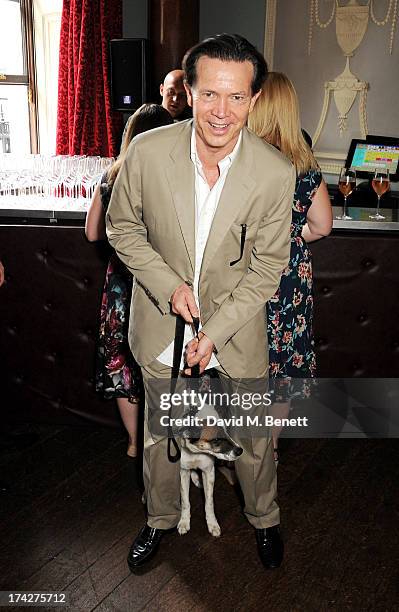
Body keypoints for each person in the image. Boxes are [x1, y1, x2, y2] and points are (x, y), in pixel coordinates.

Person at [106, 33, 296, 570]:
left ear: (254, 100)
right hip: (160, 322)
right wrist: (168, 285)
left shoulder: (275, 174)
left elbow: (265, 270)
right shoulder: (145, 152)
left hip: (235, 329)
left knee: (254, 437)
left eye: (237, 97)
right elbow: (122, 228)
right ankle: (159, 518)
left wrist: (214, 333)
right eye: (210, 94)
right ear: (188, 91)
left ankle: (265, 518)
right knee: (159, 433)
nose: (222, 112)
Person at [248, 72, 333, 462]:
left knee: (245, 356)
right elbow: (323, 226)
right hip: (291, 277)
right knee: (284, 358)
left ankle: (245, 444)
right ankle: (273, 445)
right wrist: (292, 240)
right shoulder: (305, 164)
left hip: (247, 270)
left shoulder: (243, 161)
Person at [85, 103, 174, 457]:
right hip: (161, 282)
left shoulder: (112, 174)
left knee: (121, 362)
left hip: (121, 283)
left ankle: (135, 442)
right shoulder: (171, 175)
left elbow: (93, 232)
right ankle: (163, 441)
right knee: (163, 362)